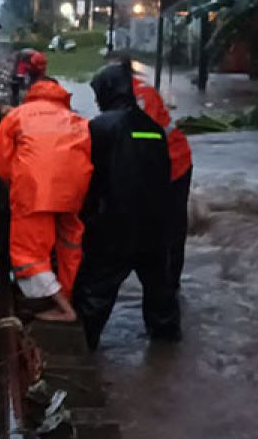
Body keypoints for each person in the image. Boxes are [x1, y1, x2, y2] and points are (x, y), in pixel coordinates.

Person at [72, 63, 181, 350]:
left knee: (93, 300)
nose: (96, 102)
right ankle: (167, 360)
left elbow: (89, 179)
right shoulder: (155, 129)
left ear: (108, 92)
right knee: (162, 301)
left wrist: (85, 217)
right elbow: (165, 179)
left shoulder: (100, 127)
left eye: (97, 95)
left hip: (114, 229)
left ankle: (82, 354)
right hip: (154, 230)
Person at [0, 77, 92, 322]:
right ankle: (67, 294)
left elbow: (1, 164)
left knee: (28, 252)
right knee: (70, 245)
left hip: (34, 189)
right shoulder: (76, 118)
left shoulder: (16, 116)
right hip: (74, 189)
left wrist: (13, 188)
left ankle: (63, 309)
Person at [111, 54, 194, 291]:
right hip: (161, 162)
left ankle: (169, 283)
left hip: (174, 165)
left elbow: (140, 143)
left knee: (171, 227)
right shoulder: (127, 93)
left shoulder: (139, 98)